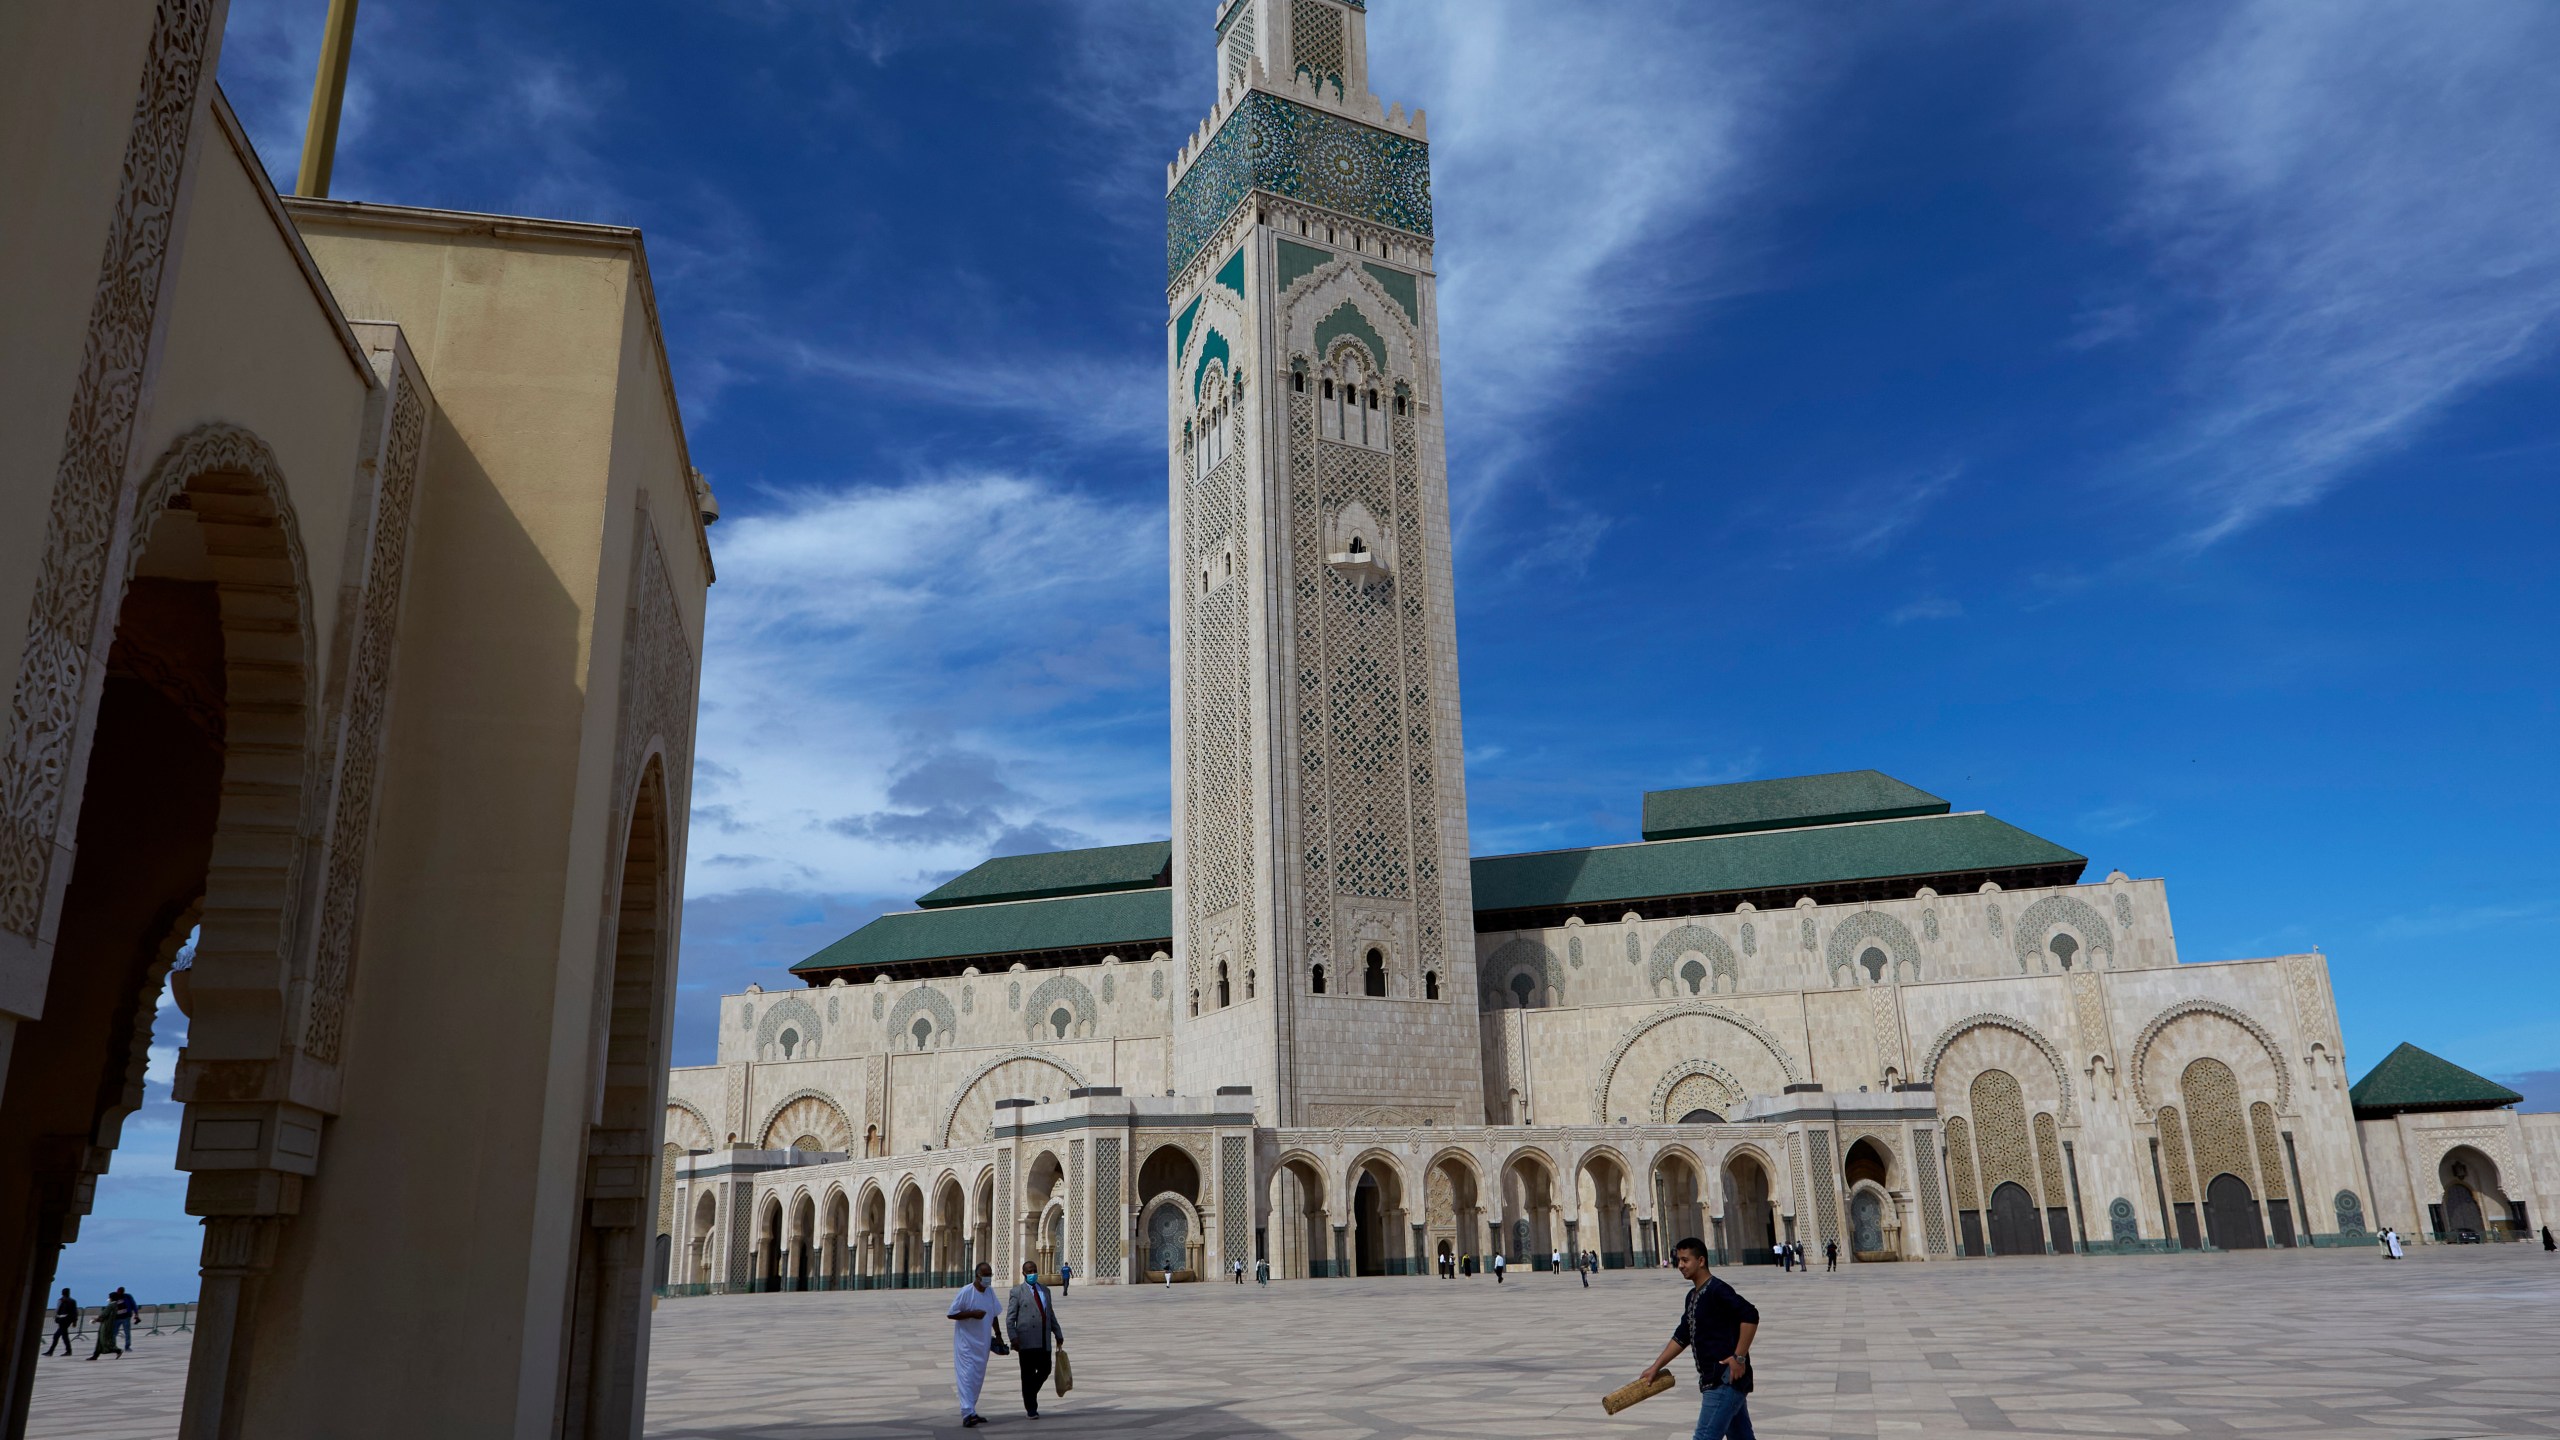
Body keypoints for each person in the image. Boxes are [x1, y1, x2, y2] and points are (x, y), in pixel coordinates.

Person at [1637, 1236, 1760, 1440]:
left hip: (1723, 1380)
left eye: (1685, 1260)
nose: (1680, 1266)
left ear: (1701, 1261)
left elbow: (1750, 1315)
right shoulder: (1693, 1296)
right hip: (1717, 1380)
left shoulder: (1717, 1290)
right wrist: (1655, 1367)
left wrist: (1739, 1358)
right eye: (1679, 1260)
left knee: (1704, 1437)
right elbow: (1682, 1336)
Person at [1004, 1260, 1064, 1419]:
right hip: (1026, 1340)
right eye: (1029, 1271)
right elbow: (1010, 1318)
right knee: (1027, 1374)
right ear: (1023, 1273)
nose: (1033, 1273)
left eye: (1034, 1270)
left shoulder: (1045, 1290)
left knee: (1046, 1369)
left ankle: (1029, 1393)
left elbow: (1050, 1314)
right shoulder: (1017, 1292)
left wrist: (1058, 1333)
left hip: (1044, 1339)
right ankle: (1031, 1407)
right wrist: (1013, 1338)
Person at [946, 1261, 1001, 1428]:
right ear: (977, 1276)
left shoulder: (990, 1293)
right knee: (967, 1376)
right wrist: (972, 1314)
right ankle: (967, 1413)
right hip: (966, 1344)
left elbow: (994, 1314)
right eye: (985, 1275)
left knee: (977, 1377)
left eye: (990, 1274)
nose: (988, 1278)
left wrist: (998, 1335)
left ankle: (972, 1410)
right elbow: (951, 1313)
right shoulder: (966, 1291)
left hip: (982, 1343)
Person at [45, 1290, 76, 1357]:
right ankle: (68, 1351)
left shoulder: (64, 1301)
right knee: (64, 1336)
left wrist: (74, 1321)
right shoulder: (71, 1301)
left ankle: (51, 1351)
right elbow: (74, 1312)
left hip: (64, 1321)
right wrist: (74, 1321)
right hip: (65, 1321)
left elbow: (58, 1310)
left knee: (57, 1336)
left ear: (62, 1293)